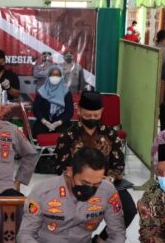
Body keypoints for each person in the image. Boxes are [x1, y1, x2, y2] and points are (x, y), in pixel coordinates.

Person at [53, 92, 137, 231]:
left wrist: (109, 178)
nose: (92, 118)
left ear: (102, 112)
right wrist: (83, 180)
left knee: (129, 210)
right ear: (79, 111)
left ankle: (102, 239)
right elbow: (60, 167)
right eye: (88, 115)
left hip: (107, 182)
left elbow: (119, 164)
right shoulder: (67, 136)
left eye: (96, 115)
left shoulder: (110, 134)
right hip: (78, 184)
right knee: (72, 212)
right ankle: (78, 239)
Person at [32, 66, 74, 138]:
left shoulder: (66, 92)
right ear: (49, 76)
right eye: (53, 75)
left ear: (61, 77)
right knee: (38, 131)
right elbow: (36, 109)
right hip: (43, 122)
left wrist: (58, 123)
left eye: (57, 75)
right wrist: (44, 121)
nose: (55, 77)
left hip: (61, 123)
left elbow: (69, 111)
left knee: (65, 134)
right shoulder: (42, 91)